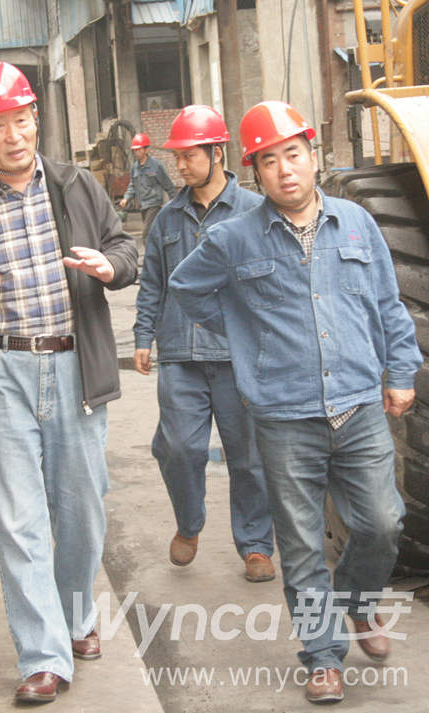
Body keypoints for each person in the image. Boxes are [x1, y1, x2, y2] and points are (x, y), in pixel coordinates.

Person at [169, 100, 422, 704]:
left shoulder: (357, 223)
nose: (284, 170)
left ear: (313, 155)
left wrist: (401, 370)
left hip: (357, 405)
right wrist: (245, 338)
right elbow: (186, 288)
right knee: (303, 543)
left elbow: (388, 304)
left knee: (382, 523)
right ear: (255, 171)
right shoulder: (233, 238)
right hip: (283, 416)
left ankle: (358, 601)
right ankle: (322, 655)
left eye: (293, 154)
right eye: (269, 161)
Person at [0, 59, 137, 704]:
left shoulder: (77, 185)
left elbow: (125, 249)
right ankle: (43, 654)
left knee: (82, 509)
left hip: (74, 366)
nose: (12, 135)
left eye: (20, 119)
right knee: (19, 520)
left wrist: (110, 267)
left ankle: (77, 615)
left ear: (35, 118)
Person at [133, 105, 275, 582]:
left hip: (239, 356)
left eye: (189, 155)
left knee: (249, 456)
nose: (180, 166)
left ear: (217, 153)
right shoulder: (167, 219)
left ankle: (256, 546)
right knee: (178, 448)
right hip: (180, 352)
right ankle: (189, 524)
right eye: (176, 157)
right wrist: (143, 336)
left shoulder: (254, 212)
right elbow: (152, 282)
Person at [119, 132, 176, 246]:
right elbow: (132, 185)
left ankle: (149, 254)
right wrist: (126, 198)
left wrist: (176, 200)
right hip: (143, 205)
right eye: (135, 150)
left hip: (154, 204)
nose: (137, 152)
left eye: (139, 150)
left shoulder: (156, 165)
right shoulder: (135, 167)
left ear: (146, 149)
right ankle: (160, 250)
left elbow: (167, 184)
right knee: (154, 231)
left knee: (146, 233)